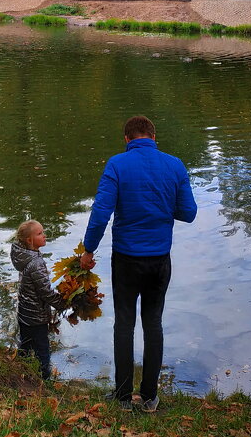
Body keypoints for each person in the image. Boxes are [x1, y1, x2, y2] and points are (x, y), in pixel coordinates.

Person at [79, 115, 197, 413]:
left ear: (127, 140)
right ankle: (149, 397)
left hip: (127, 260)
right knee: (153, 323)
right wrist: (161, 203)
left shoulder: (117, 164)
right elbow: (189, 213)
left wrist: (88, 250)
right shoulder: (175, 165)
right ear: (154, 137)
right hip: (159, 260)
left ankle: (121, 396)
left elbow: (101, 213)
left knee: (125, 324)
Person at [11, 219, 69, 380]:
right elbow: (45, 292)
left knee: (26, 344)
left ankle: (19, 370)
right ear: (29, 240)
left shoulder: (23, 257)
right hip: (36, 316)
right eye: (40, 233)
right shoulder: (36, 263)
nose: (44, 235)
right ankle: (45, 380)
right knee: (43, 350)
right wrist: (62, 303)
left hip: (24, 312)